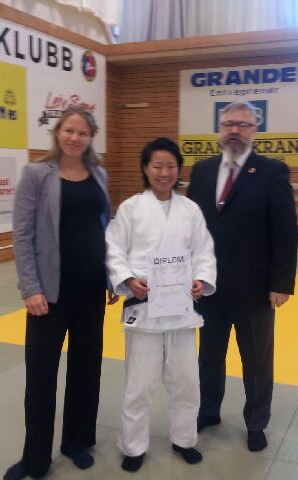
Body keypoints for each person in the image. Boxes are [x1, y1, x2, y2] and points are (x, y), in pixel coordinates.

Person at [4, 106, 117, 480]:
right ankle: (34, 458)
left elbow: (107, 229)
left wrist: (113, 277)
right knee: (41, 376)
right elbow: (22, 235)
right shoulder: (37, 174)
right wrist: (30, 288)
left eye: (82, 133)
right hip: (48, 296)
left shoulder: (99, 174)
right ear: (57, 132)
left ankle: (76, 442)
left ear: (91, 137)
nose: (75, 137)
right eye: (69, 130)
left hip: (90, 291)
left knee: (87, 370)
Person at [186, 101, 298, 452]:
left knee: (256, 361)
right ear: (220, 129)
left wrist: (281, 283)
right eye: (229, 124)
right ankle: (208, 410)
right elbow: (190, 227)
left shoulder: (272, 171)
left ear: (254, 131)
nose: (234, 130)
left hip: (255, 289)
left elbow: (285, 231)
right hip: (208, 287)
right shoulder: (202, 171)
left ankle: (256, 423)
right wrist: (186, 273)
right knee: (209, 356)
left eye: (243, 124)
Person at [105, 138, 217, 472]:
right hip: (144, 307)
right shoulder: (130, 208)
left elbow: (204, 251)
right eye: (158, 166)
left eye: (171, 166)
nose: (164, 172)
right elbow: (114, 249)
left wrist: (201, 280)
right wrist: (128, 280)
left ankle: (184, 439)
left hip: (181, 310)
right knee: (139, 384)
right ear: (145, 168)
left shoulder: (190, 209)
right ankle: (133, 446)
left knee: (186, 381)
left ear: (178, 169)